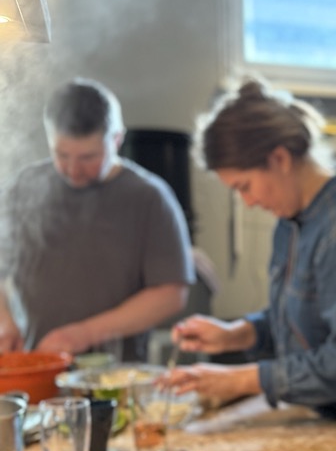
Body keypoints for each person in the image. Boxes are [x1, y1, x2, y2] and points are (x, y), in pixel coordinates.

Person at [167, 80, 336, 436]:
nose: (249, 202)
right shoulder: (295, 217)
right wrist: (235, 335)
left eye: (244, 186)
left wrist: (239, 380)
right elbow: (302, 318)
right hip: (329, 418)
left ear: (280, 159)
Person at [0, 78, 193, 360]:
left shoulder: (149, 198)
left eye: (88, 157)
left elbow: (171, 293)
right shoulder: (24, 188)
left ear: (117, 139)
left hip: (117, 374)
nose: (73, 170)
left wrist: (84, 333)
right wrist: (4, 321)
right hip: (36, 363)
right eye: (62, 155)